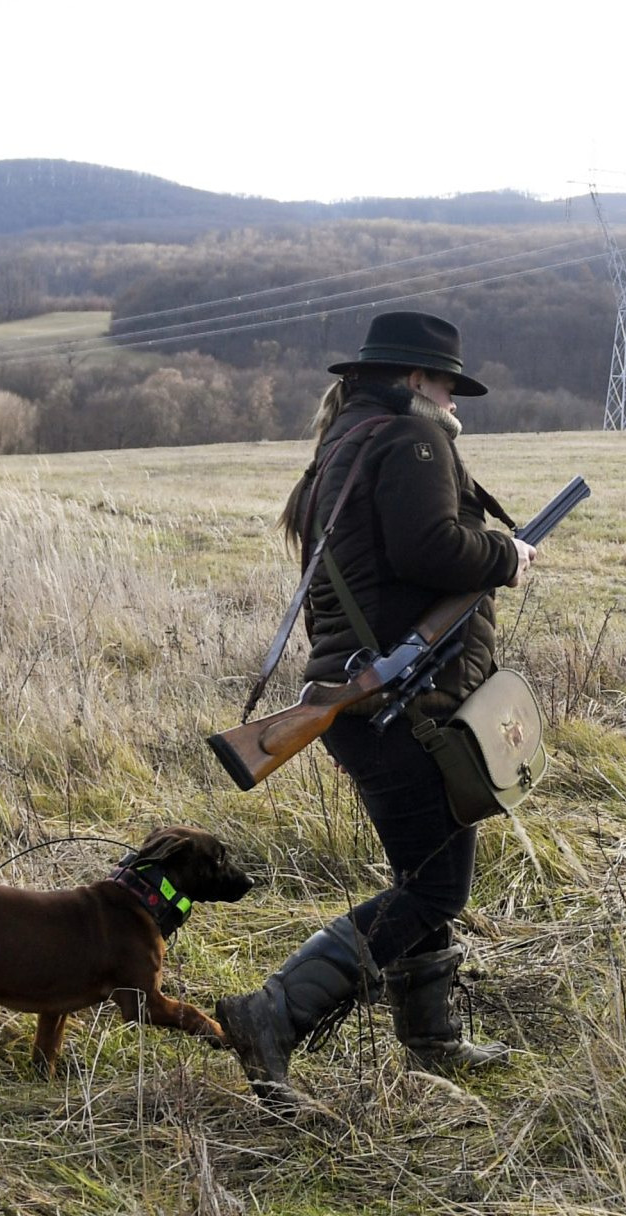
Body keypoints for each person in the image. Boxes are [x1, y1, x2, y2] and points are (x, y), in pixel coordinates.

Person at [216, 311, 537, 1100]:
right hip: (403, 702)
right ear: (413, 381)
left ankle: (433, 1040)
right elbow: (430, 548)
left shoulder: (342, 447)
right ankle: (274, 1012)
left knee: (421, 873)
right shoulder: (416, 441)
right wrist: (507, 554)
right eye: (444, 382)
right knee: (434, 889)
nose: (454, 398)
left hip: (372, 699)